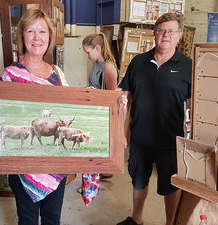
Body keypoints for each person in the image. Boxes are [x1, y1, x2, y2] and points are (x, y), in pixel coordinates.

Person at [117, 12, 191, 225]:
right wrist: (120, 132)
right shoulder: (138, 62)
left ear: (179, 35)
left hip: (171, 140)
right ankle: (136, 218)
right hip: (140, 138)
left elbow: (195, 107)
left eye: (171, 31)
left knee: (170, 185)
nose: (165, 35)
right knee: (138, 180)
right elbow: (125, 98)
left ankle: (171, 223)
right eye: (161, 31)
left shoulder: (188, 66)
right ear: (154, 34)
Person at [0, 8, 69, 225]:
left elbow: (68, 111)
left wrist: (114, 105)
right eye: (31, 31)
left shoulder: (58, 73)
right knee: (27, 220)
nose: (37, 38)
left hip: (55, 167)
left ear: (49, 37)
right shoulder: (10, 75)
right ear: (22, 36)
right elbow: (1, 118)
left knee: (52, 219)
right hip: (23, 167)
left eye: (42, 32)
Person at [82, 33, 118, 179]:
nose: (86, 56)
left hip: (101, 115)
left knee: (92, 149)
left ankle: (89, 183)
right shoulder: (96, 64)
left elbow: (111, 98)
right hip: (93, 111)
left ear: (97, 48)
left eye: (88, 52)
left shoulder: (108, 68)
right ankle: (101, 173)